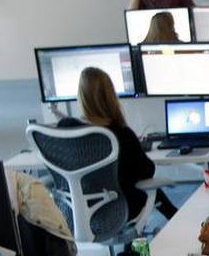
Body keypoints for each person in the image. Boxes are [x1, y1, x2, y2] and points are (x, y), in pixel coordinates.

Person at [58, 68, 177, 221]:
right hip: (120, 211)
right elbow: (147, 171)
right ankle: (175, 218)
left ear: (81, 96)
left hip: (79, 213)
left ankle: (171, 217)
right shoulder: (121, 134)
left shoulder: (66, 128)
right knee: (142, 186)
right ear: (110, 96)